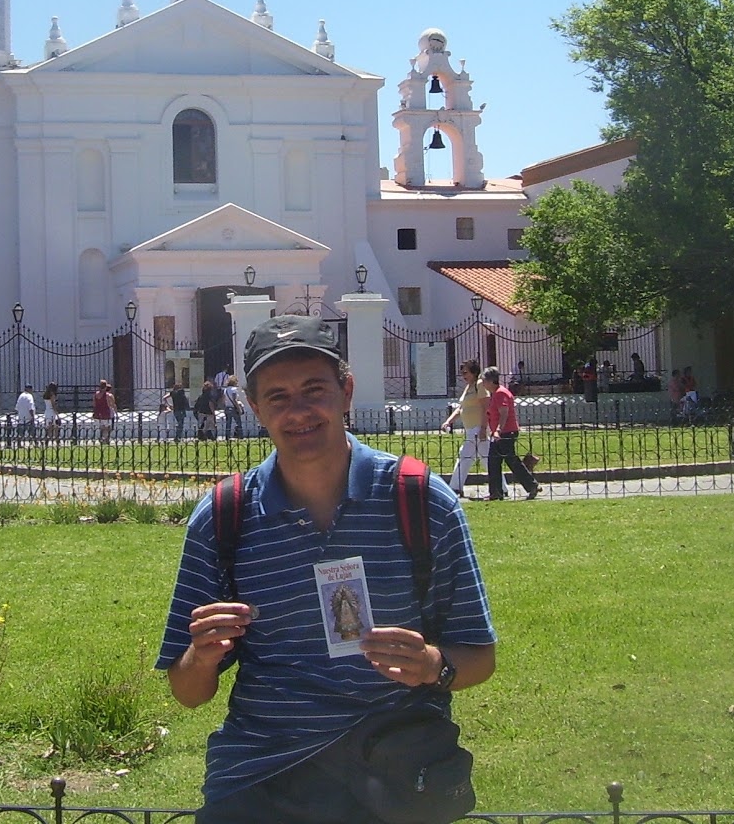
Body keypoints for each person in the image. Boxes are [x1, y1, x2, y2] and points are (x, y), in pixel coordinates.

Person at [157, 315, 495, 822]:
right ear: (255, 408)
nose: (299, 411)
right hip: (263, 774)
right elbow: (187, 692)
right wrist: (202, 657)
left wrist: (432, 664)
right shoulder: (225, 516)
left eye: (314, 390)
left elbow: (479, 656)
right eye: (278, 397)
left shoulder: (421, 501)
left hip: (394, 767)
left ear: (346, 391)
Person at [482, 366, 540, 500]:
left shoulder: (500, 393)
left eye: (484, 381)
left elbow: (504, 413)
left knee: (509, 461)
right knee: (496, 461)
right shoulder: (496, 393)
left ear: (491, 381)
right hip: (502, 433)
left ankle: (531, 486)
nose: (483, 383)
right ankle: (497, 492)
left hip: (506, 432)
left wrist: (498, 430)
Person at [440, 359, 489, 498]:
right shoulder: (469, 387)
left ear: (474, 372)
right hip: (470, 429)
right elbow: (461, 408)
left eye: (466, 372)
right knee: (486, 459)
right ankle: (500, 488)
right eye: (462, 373)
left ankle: (455, 488)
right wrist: (448, 421)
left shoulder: (480, 384)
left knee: (465, 456)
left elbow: (486, 407)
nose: (463, 376)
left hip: (478, 428)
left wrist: (483, 428)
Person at [92, 378, 116, 443]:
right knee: (107, 427)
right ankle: (106, 439)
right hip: (106, 412)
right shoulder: (108, 395)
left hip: (97, 412)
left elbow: (94, 404)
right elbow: (112, 404)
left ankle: (102, 438)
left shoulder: (96, 394)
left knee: (101, 427)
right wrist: (115, 412)